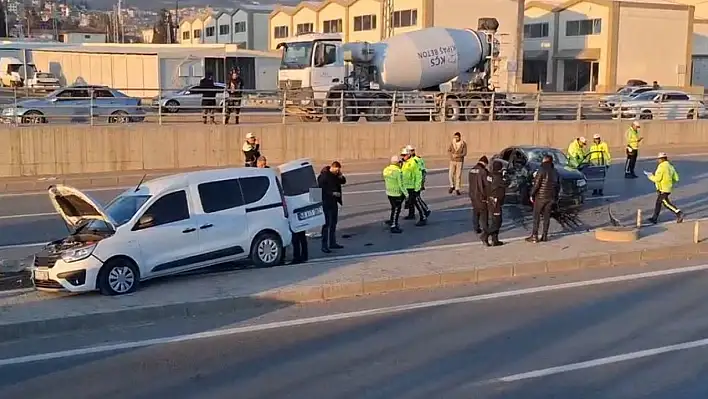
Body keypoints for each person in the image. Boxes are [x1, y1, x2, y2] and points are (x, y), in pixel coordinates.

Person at [526, 154, 560, 243]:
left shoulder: (541, 170)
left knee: (536, 216)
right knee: (546, 217)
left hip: (541, 197)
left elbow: (537, 184)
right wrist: (555, 197)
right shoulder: (555, 171)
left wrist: (531, 194)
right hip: (550, 197)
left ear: (544, 160)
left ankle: (534, 236)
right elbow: (557, 186)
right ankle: (544, 236)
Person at [647, 152, 684, 224]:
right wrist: (670, 183)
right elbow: (676, 178)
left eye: (658, 159)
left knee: (666, 203)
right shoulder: (670, 166)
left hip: (662, 189)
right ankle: (654, 218)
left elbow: (657, 179)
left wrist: (650, 176)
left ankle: (679, 213)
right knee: (659, 203)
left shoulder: (661, 167)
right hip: (668, 188)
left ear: (661, 159)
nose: (658, 160)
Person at [317, 161, 346, 252]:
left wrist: (340, 175)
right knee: (326, 224)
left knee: (333, 223)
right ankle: (324, 245)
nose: (338, 172)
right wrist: (332, 193)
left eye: (338, 170)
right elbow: (320, 190)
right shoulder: (324, 176)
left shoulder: (336, 175)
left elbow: (343, 181)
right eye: (337, 170)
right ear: (333, 167)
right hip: (326, 202)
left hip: (334, 202)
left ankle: (332, 243)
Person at [401, 148, 427, 226]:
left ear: (409, 155)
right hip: (407, 186)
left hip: (413, 186)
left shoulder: (414, 162)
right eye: (402, 155)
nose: (403, 156)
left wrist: (417, 187)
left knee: (417, 202)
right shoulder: (405, 162)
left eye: (404, 155)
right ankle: (411, 214)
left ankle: (423, 216)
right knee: (410, 202)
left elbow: (418, 175)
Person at [486, 159, 509, 247]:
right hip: (496, 201)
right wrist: (505, 176)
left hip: (490, 199)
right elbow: (506, 184)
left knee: (494, 220)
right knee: (498, 222)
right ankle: (485, 235)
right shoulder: (498, 177)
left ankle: (495, 240)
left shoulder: (490, 175)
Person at [383, 155, 408, 234]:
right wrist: (406, 194)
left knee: (393, 208)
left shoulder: (386, 170)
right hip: (397, 193)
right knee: (397, 209)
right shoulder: (398, 171)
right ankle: (394, 225)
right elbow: (401, 184)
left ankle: (392, 220)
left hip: (389, 192)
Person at [405, 144, 431, 219]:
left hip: (415, 183)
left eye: (412, 151)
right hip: (410, 183)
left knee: (416, 198)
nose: (410, 152)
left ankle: (425, 210)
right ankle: (411, 214)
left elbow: (422, 172)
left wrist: (421, 183)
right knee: (411, 199)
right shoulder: (409, 160)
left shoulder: (416, 160)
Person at [468, 156, 490, 237]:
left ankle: (476, 228)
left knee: (475, 211)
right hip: (480, 195)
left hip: (472, 194)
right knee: (484, 213)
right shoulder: (483, 172)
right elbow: (486, 184)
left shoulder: (471, 170)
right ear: (484, 163)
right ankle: (486, 229)